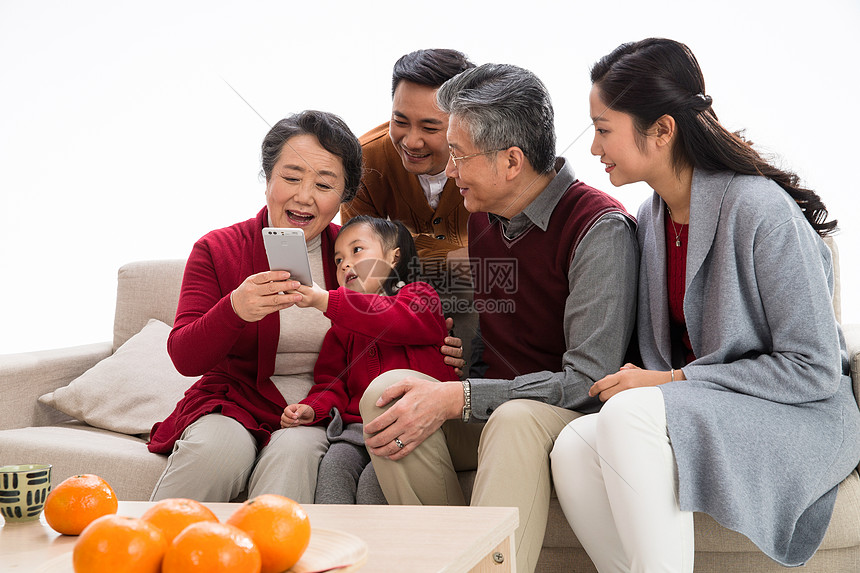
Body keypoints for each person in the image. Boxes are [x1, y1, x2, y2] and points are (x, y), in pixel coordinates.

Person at [550, 38, 860, 572]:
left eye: (604, 130)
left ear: (663, 130)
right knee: (574, 445)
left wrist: (670, 383)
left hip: (795, 414)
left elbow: (814, 370)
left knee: (626, 417)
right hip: (715, 407)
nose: (594, 149)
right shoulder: (651, 217)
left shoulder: (761, 211)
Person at [359, 64, 638, 573]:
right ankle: (450, 560)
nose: (451, 171)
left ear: (511, 161)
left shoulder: (599, 230)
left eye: (460, 156)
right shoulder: (486, 218)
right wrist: (461, 358)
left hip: (569, 417)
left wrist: (461, 396)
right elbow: (500, 324)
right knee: (388, 395)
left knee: (512, 419)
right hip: (502, 401)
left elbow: (588, 382)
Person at [146, 110, 463, 503]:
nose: (304, 196)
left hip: (318, 410)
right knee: (215, 451)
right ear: (268, 179)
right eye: (291, 177)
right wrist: (235, 309)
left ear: (345, 196)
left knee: (294, 456)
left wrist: (443, 346)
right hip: (233, 401)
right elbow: (185, 357)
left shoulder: (354, 255)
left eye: (325, 184)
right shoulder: (218, 249)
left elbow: (404, 316)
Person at [281, 215, 457, 504]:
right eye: (338, 260)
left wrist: (328, 301)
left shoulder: (419, 296)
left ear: (393, 256)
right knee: (334, 468)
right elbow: (330, 382)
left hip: (413, 425)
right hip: (355, 431)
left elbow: (396, 320)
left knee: (373, 483)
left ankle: (379, 546)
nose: (345, 264)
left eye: (357, 250)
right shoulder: (340, 330)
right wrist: (312, 408)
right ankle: (337, 545)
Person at [340, 49, 478, 367]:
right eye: (400, 122)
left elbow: (506, 260)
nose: (411, 141)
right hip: (398, 297)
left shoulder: (491, 160)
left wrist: (409, 246)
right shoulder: (365, 162)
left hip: (483, 296)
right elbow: (364, 271)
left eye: (430, 128)